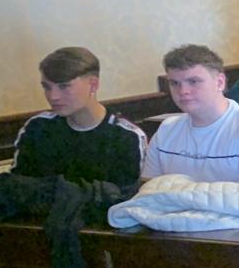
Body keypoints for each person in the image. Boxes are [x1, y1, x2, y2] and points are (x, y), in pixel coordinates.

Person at [142, 44, 239, 187]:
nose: (183, 91)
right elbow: (148, 195)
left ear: (220, 82)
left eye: (193, 81)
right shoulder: (166, 131)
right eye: (174, 83)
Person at [14, 47, 146, 187]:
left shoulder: (126, 137)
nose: (53, 96)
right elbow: (17, 189)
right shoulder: (37, 128)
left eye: (64, 86)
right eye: (47, 87)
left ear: (93, 84)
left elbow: (128, 201)